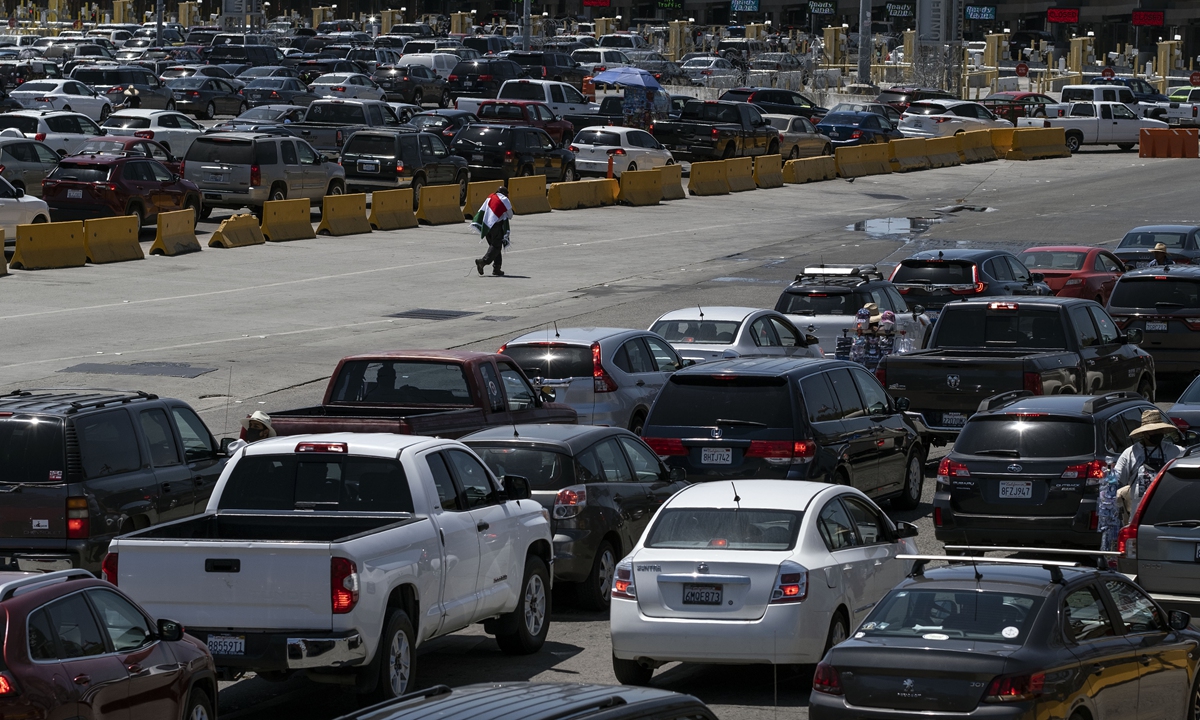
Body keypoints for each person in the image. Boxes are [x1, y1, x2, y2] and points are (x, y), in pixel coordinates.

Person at [1114, 409, 1184, 524]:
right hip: (1139, 517)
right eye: (1153, 431)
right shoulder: (1131, 453)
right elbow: (1117, 480)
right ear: (1144, 433)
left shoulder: (1175, 451)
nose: (1157, 433)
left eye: (1159, 430)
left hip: (1169, 516)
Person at [472, 185, 512, 277]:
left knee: (494, 247)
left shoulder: (490, 196)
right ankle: (482, 262)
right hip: (496, 226)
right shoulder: (504, 200)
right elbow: (510, 215)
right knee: (496, 247)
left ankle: (497, 268)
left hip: (486, 225)